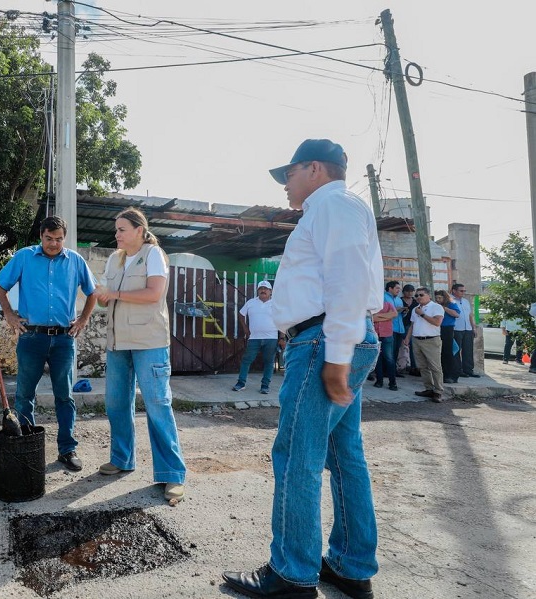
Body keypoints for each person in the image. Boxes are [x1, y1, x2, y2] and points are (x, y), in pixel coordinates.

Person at [222, 139, 382, 599]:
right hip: (330, 338)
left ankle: (292, 573)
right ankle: (351, 565)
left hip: (321, 341)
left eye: (288, 174)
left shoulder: (333, 204)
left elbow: (348, 277)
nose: (284, 184)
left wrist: (336, 354)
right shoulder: (336, 209)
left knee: (297, 457)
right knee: (342, 455)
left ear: (314, 168)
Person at [93, 207, 187, 503]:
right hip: (118, 343)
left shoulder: (153, 254)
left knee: (158, 405)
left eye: (122, 229)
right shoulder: (114, 258)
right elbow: (109, 302)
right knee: (116, 402)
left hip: (149, 342)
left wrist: (115, 294)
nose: (116, 234)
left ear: (139, 231)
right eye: (116, 229)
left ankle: (172, 475)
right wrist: (101, 298)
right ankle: (122, 459)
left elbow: (153, 294)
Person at [0, 216, 97, 472]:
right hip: (31, 337)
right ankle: (26, 447)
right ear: (41, 236)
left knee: (65, 396)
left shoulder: (75, 261)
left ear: (64, 237)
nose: (54, 244)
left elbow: (93, 292)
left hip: (63, 339)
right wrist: (9, 314)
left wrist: (83, 319)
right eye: (49, 238)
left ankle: (67, 449)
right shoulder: (24, 257)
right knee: (25, 395)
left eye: (59, 239)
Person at [232, 280, 284, 394]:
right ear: (258, 291)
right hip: (254, 338)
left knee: (269, 362)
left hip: (271, 338)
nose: (263, 290)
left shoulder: (276, 304)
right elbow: (241, 314)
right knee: (246, 360)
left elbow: (282, 321)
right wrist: (246, 329)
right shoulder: (251, 302)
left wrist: (282, 337)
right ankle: (241, 383)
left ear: (270, 291)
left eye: (266, 289)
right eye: (261, 289)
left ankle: (265, 386)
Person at [405, 287, 445, 402]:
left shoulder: (436, 307)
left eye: (421, 295)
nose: (418, 297)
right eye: (416, 296)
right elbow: (412, 325)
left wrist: (422, 314)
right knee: (422, 367)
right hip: (417, 340)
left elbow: (437, 322)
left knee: (435, 367)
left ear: (429, 295)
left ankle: (438, 391)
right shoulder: (415, 309)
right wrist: (407, 338)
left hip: (431, 340)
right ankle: (429, 389)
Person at [451, 283, 480, 377]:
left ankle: (468, 370)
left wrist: (473, 327)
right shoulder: (450, 301)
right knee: (456, 350)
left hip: (467, 329)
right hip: (456, 329)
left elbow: (470, 315)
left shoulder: (466, 301)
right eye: (461, 291)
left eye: (464, 291)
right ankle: (457, 370)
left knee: (468, 350)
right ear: (454, 291)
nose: (463, 292)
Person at [372, 287, 398, 390]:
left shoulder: (388, 305)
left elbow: (394, 314)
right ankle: (379, 381)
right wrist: (387, 316)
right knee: (377, 359)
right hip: (375, 335)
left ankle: (393, 383)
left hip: (387, 334)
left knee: (389, 359)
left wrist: (379, 316)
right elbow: (372, 318)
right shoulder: (371, 307)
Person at [434, 290, 460, 383]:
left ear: (444, 297)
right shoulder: (434, 305)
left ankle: (450, 375)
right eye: (436, 298)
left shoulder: (451, 304)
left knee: (448, 352)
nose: (438, 300)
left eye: (440, 298)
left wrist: (444, 308)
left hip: (448, 329)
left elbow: (456, 314)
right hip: (437, 329)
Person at [386, 281, 407, 379]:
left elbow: (400, 316)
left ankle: (393, 371)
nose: (399, 290)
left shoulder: (399, 299)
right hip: (389, 328)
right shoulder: (383, 297)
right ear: (390, 288)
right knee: (388, 352)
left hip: (399, 328)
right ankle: (387, 371)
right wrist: (395, 310)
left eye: (399, 289)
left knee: (395, 351)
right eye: (397, 288)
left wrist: (404, 312)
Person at [399, 284, 420, 376]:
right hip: (400, 325)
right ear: (404, 292)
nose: (410, 293)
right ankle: (399, 367)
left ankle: (414, 367)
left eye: (411, 291)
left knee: (412, 347)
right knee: (398, 347)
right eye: (408, 291)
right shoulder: (399, 301)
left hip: (411, 326)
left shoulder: (416, 302)